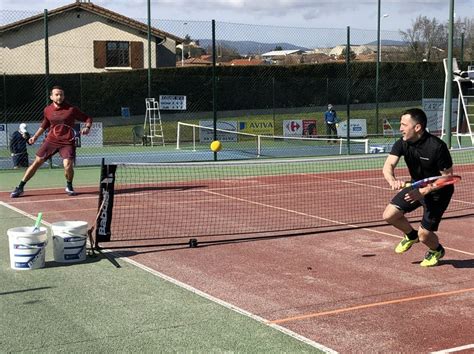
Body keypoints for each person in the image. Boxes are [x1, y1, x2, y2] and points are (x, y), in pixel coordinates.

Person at [382, 108, 454, 267]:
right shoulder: (402, 143)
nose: (400, 128)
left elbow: (448, 178)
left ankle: (436, 250)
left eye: (404, 125)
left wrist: (425, 191)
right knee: (389, 215)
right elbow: (388, 165)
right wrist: (392, 179)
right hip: (416, 186)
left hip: (438, 193)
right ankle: (410, 235)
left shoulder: (437, 147)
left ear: (417, 127)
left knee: (425, 236)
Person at [10, 86, 92, 198]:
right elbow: (45, 124)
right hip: (51, 141)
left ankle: (69, 186)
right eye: (57, 94)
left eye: (61, 94)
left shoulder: (71, 109)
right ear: (51, 97)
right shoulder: (47, 110)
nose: (59, 97)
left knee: (68, 165)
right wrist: (35, 137)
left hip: (67, 142)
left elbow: (87, 118)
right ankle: (20, 187)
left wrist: (87, 127)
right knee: (36, 163)